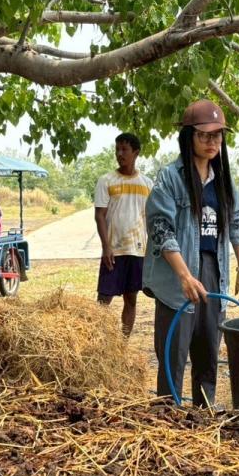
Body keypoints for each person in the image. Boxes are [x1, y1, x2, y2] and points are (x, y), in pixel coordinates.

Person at [144, 99, 239, 407]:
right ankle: (169, 414)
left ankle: (203, 413)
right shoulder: (170, 177)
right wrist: (183, 276)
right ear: (188, 137)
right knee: (173, 351)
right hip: (177, 274)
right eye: (204, 135)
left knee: (208, 348)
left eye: (217, 136)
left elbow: (235, 223)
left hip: (213, 271)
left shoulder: (223, 180)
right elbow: (161, 229)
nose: (211, 142)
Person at [95, 133, 153, 336]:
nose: (120, 154)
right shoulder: (106, 181)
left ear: (136, 153)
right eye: (117, 149)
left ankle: (123, 344)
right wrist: (106, 246)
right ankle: (97, 341)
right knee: (104, 299)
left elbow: (151, 219)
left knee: (131, 298)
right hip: (114, 250)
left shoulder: (147, 184)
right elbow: (100, 216)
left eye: (124, 150)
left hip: (138, 251)